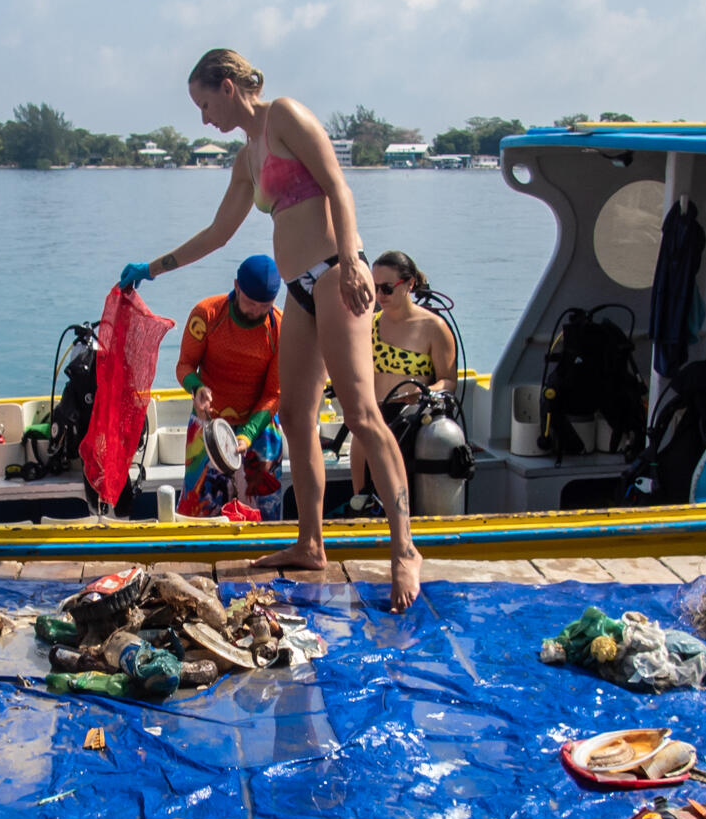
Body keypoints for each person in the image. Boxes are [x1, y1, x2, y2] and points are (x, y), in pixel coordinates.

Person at [118, 48, 421, 610]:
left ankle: (405, 550)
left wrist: (355, 261)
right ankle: (310, 543)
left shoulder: (283, 116)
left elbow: (338, 186)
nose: (204, 118)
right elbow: (217, 234)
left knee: (359, 412)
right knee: (295, 416)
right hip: (298, 288)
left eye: (205, 104)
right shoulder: (246, 159)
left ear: (229, 86)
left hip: (336, 273)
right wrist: (152, 269)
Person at [347, 249, 457, 515]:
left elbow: (448, 381)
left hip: (412, 420)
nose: (380, 296)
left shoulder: (434, 327)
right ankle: (364, 512)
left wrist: (423, 394)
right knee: (364, 491)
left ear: (409, 284)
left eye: (386, 288)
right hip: (373, 416)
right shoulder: (368, 324)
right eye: (374, 289)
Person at [175, 254, 285, 519]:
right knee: (198, 510)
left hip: (258, 425)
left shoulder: (280, 328)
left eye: (265, 305)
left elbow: (274, 393)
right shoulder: (207, 314)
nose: (257, 312)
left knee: (264, 514)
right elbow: (184, 366)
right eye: (250, 303)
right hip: (209, 422)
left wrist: (247, 434)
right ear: (236, 286)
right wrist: (197, 388)